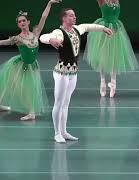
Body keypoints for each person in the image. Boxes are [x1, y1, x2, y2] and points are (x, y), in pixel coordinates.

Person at [40, 8, 113, 143]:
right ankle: (57, 133)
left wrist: (103, 28)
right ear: (64, 18)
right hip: (61, 73)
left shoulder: (77, 29)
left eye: (74, 15)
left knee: (66, 103)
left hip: (73, 72)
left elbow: (88, 26)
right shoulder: (59, 32)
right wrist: (51, 39)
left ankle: (64, 131)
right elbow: (42, 37)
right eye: (71, 16)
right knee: (59, 102)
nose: (74, 17)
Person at [0, 0, 61, 120]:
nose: (22, 22)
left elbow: (43, 18)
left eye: (24, 20)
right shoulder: (17, 38)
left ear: (28, 22)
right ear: (18, 25)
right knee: (9, 84)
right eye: (19, 21)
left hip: (32, 66)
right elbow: (2, 42)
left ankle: (31, 112)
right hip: (19, 65)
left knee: (29, 90)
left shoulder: (36, 33)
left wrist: (49, 3)